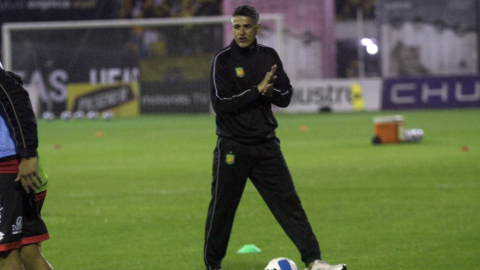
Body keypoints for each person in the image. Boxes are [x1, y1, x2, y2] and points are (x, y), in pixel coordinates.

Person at [203, 5, 346, 270]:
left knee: (290, 206)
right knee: (223, 210)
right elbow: (220, 103)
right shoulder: (222, 60)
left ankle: (315, 262)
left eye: (247, 26)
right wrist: (257, 91)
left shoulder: (269, 56)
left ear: (258, 28)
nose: (241, 32)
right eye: (236, 26)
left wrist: (271, 95)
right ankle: (213, 266)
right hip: (233, 146)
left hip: (266, 145)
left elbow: (286, 96)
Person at [0, 60, 54, 270]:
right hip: (17, 166)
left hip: (8, 169)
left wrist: (28, 153)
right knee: (29, 252)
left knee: (5, 254)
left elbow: (17, 97)